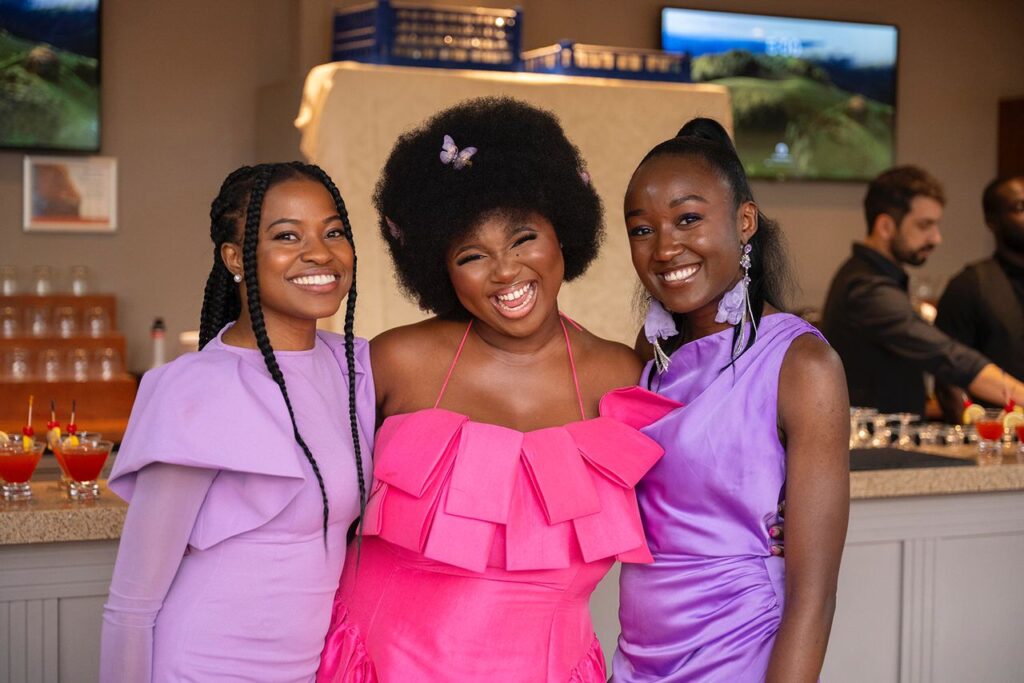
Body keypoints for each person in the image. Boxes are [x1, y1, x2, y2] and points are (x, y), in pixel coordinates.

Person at [316, 97, 676, 682]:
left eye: (523, 238)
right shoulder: (395, 362)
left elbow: (694, 501)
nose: (505, 271)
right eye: (472, 255)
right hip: (380, 665)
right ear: (440, 269)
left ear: (564, 233)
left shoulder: (624, 377)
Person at [100, 162, 374, 682]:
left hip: (311, 669)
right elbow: (130, 605)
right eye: (287, 235)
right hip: (206, 666)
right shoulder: (197, 389)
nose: (319, 252)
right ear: (235, 257)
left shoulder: (354, 367)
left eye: (333, 231)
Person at [612, 118, 849, 682]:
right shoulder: (651, 354)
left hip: (738, 648)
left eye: (688, 219)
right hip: (640, 652)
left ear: (745, 222)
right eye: (642, 229)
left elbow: (814, 598)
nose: (665, 247)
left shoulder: (802, 364)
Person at [821, 166, 1024, 415]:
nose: (936, 238)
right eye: (925, 225)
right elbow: (946, 356)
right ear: (885, 226)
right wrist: (1018, 394)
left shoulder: (870, 276)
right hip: (873, 449)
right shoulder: (867, 288)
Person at [935, 175, 1024, 412]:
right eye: (1020, 208)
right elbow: (947, 380)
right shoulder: (969, 286)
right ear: (992, 220)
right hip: (997, 433)